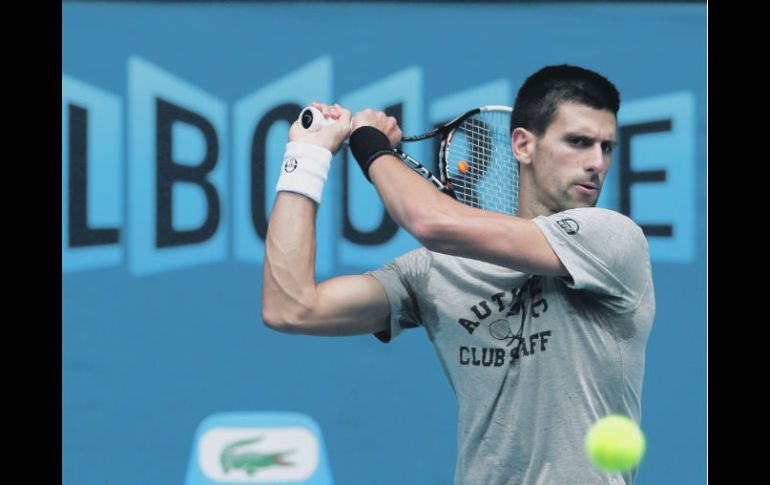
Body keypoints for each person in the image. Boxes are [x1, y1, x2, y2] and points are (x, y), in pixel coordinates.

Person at [262, 64, 655, 485]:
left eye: (606, 147)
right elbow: (291, 307)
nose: (597, 162)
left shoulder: (613, 241)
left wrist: (369, 143)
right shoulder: (435, 272)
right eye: (578, 142)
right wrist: (307, 157)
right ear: (523, 145)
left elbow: (430, 221)